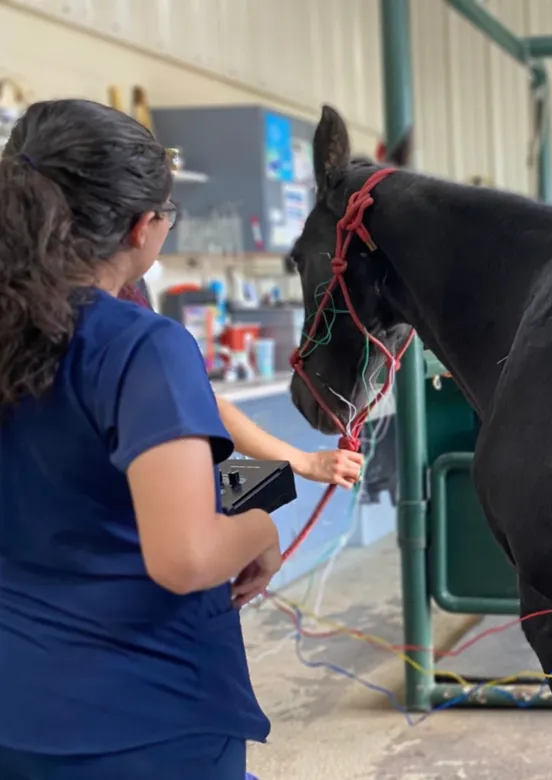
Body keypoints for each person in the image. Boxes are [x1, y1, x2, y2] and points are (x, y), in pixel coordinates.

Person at [0, 99, 276, 779]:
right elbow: (185, 556)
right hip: (146, 720)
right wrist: (261, 528)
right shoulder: (142, 346)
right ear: (142, 227)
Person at [118, 281, 364, 489]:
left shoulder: (118, 308)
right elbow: (200, 405)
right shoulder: (143, 325)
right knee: (260, 530)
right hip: (132, 502)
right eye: (166, 221)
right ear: (142, 228)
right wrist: (306, 462)